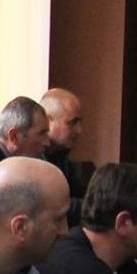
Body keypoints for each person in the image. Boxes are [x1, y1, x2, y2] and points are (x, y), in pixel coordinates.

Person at [41, 88, 90, 223]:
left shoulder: (61, 157)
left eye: (79, 123)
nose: (79, 130)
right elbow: (53, 205)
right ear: (47, 121)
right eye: (72, 123)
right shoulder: (32, 160)